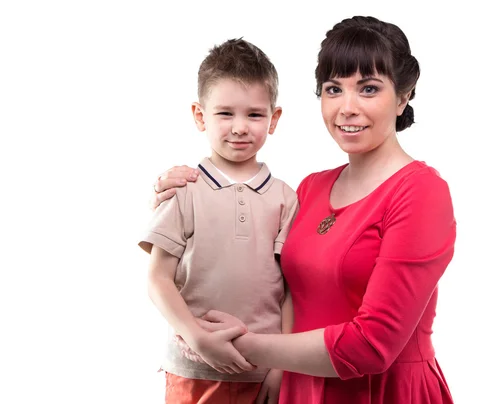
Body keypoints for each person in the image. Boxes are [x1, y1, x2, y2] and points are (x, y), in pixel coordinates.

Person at [153, 16, 456, 404]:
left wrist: (247, 347)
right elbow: (263, 266)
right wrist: (178, 189)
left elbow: (373, 346)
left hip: (379, 393)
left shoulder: (421, 191)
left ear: (403, 97)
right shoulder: (311, 188)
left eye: (368, 89)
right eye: (333, 89)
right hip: (300, 390)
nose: (347, 107)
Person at [139, 38, 298, 404]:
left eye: (254, 114)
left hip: (262, 371)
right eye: (225, 113)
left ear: (273, 119)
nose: (240, 127)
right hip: (192, 370)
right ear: (200, 116)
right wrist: (196, 337)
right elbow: (157, 277)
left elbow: (291, 291)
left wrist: (281, 366)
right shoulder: (181, 190)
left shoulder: (286, 199)